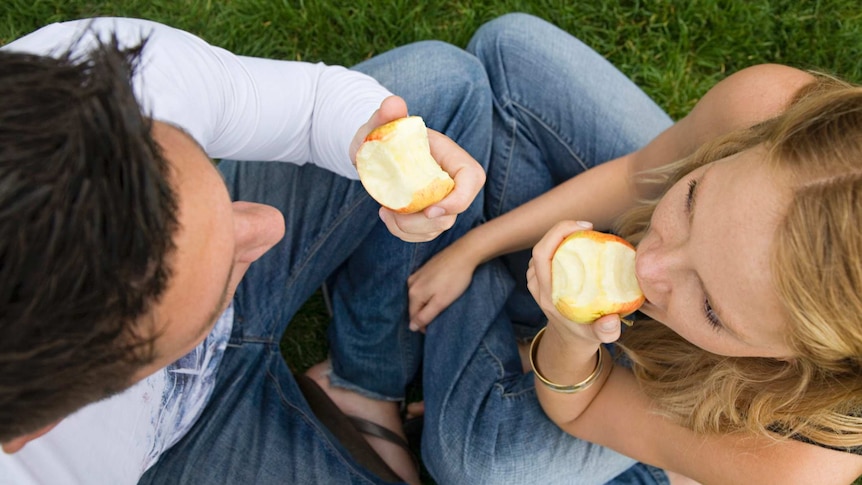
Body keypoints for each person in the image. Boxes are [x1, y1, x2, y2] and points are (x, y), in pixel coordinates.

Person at [0, 17, 490, 484]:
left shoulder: (106, 72)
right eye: (212, 282)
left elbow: (313, 107)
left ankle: (360, 381)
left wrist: (367, 143)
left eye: (203, 174)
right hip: (177, 447)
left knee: (444, 84)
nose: (267, 226)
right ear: (36, 430)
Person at [407, 13, 862, 484]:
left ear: (794, 360)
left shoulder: (795, 464)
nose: (647, 265)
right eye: (691, 201)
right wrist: (476, 247)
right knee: (509, 49)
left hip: (689, 411)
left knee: (479, 463)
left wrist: (571, 341)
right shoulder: (768, 105)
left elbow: (586, 406)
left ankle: (496, 313)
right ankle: (502, 318)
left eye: (710, 308)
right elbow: (633, 177)